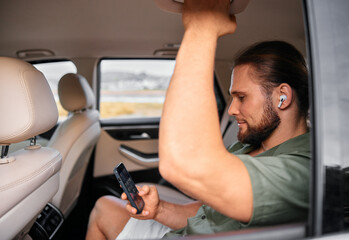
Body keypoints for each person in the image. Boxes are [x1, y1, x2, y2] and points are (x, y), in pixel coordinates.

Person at [85, 0, 310, 239]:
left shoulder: (303, 171)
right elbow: (208, 212)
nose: (232, 110)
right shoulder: (249, 146)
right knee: (103, 207)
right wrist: (159, 209)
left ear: (282, 97)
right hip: (189, 232)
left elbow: (183, 163)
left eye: (242, 97)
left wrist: (202, 27)